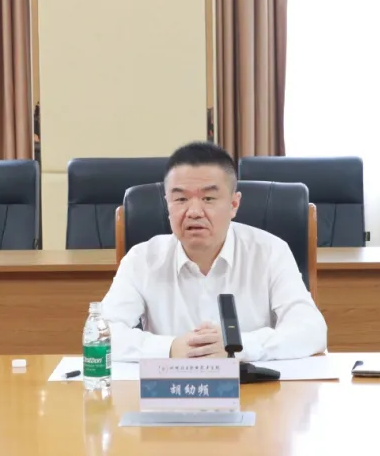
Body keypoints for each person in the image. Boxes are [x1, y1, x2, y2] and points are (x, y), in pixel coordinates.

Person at [101, 142, 327, 362]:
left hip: (250, 386)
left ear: (234, 204)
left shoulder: (270, 252)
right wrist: (170, 348)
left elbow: (311, 331)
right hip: (171, 385)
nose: (194, 212)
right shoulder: (142, 259)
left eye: (208, 198)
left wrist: (238, 346)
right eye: (181, 199)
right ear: (167, 203)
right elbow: (102, 333)